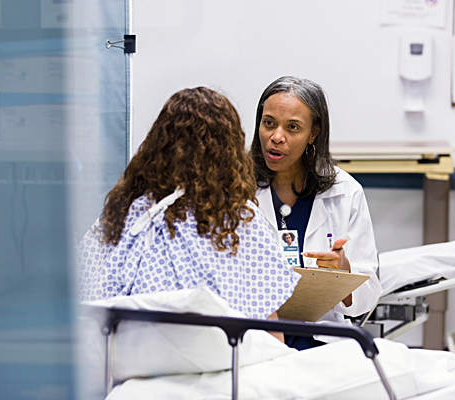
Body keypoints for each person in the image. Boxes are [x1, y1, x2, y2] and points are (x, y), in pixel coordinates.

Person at [78, 87, 300, 342]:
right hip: (221, 365)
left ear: (158, 144)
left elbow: (82, 300)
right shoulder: (239, 219)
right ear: (229, 150)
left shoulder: (124, 211)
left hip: (128, 362)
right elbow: (270, 332)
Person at [249, 76, 382, 349]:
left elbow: (367, 298)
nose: (276, 137)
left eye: (293, 127)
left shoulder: (345, 192)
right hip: (253, 336)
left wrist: (343, 272)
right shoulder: (235, 188)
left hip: (320, 341)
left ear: (314, 133)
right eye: (269, 123)